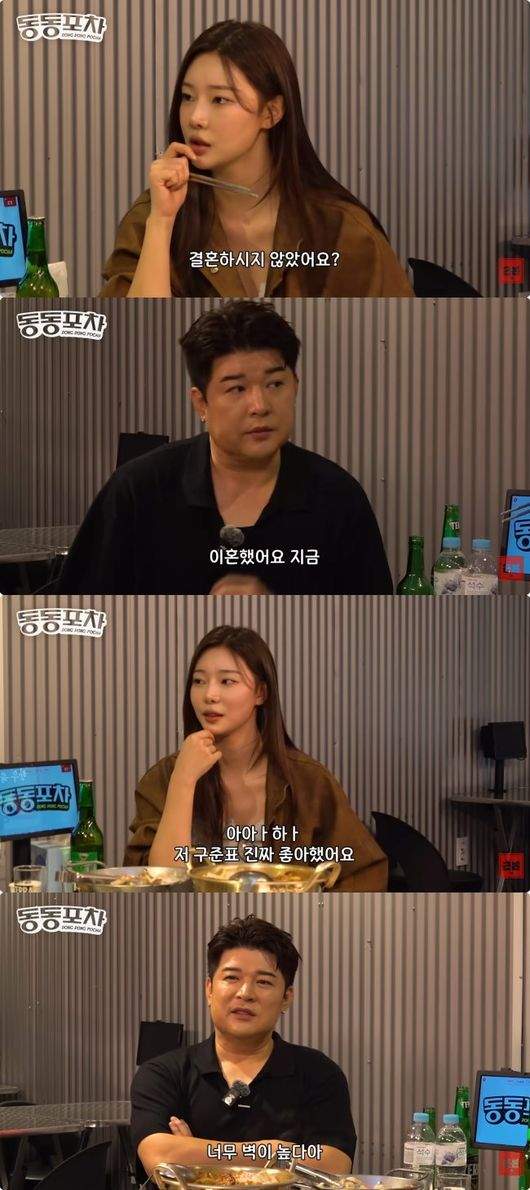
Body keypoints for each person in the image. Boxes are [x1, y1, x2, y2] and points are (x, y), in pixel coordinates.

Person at [57, 301, 394, 596]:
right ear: (201, 403)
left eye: (275, 384)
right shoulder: (137, 490)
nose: (260, 406)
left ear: (295, 387)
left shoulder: (338, 498)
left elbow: (375, 627)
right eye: (237, 389)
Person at [101, 20, 413, 298]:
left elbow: (393, 335)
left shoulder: (342, 229)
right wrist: (161, 223)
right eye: (187, 96)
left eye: (220, 99)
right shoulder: (153, 214)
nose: (195, 117)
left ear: (271, 112)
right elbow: (136, 333)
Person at [124, 625, 388, 892]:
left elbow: (364, 871)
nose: (209, 695)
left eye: (227, 681)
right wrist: (184, 780)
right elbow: (158, 884)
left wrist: (318, 916)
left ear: (261, 693)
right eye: (199, 681)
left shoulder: (308, 780)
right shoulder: (163, 778)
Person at [131, 914, 358, 1179]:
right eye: (231, 978)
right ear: (209, 989)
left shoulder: (318, 1073)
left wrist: (196, 1156)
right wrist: (273, 1151)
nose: (245, 993)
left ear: (286, 998)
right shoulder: (163, 1073)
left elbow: (334, 1164)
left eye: (264, 982)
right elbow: (159, 1157)